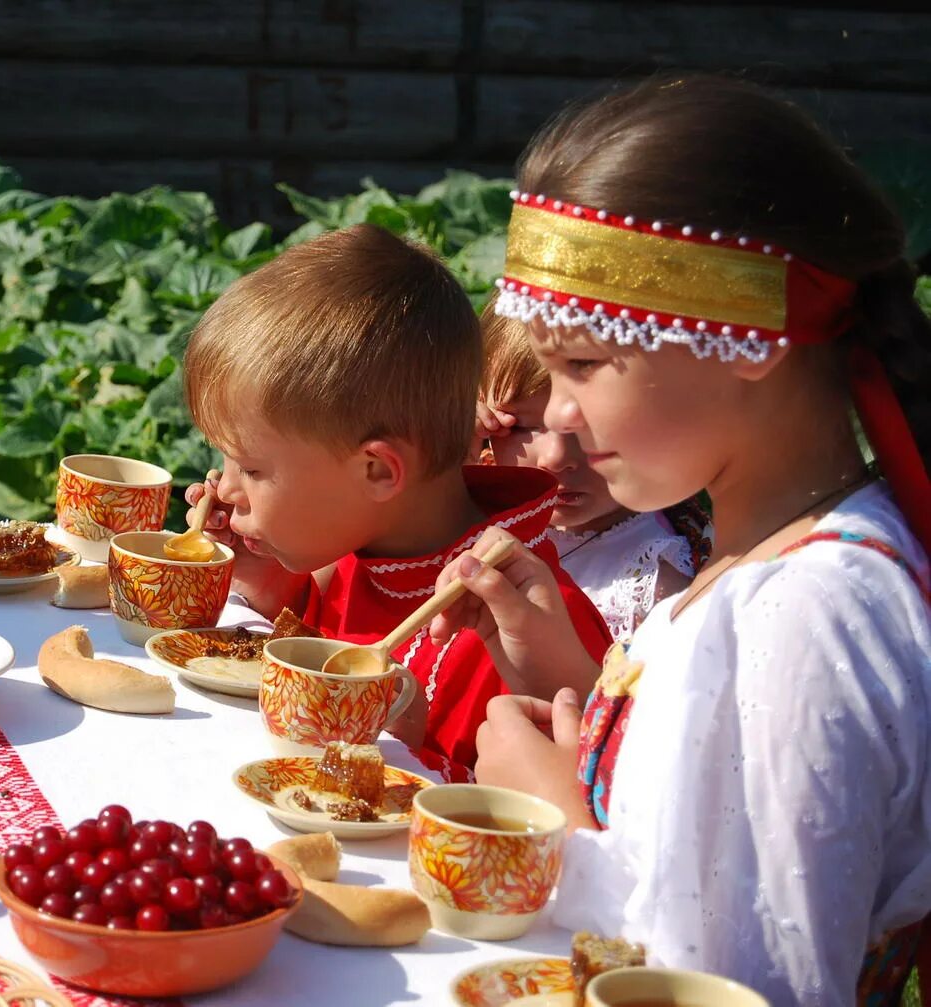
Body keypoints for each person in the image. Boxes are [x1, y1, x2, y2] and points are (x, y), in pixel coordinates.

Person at [425, 76, 931, 1006]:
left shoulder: (806, 619)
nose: (564, 418)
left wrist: (553, 822)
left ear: (752, 336)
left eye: (583, 362)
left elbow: (743, 984)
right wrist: (569, 694)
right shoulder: (763, 559)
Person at [180, 222, 611, 780]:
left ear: (379, 470)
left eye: (253, 467)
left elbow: (549, 822)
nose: (226, 488)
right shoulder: (366, 547)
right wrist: (270, 588)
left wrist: (408, 747)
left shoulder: (528, 625)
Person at [474, 304, 705, 641]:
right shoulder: (470, 497)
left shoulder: (654, 584)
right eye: (520, 426)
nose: (555, 457)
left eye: (588, 425)